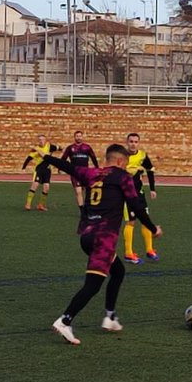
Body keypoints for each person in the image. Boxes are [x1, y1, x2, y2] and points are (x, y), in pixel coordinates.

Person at [37, 142, 162, 345]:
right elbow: (136, 206)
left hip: (87, 235)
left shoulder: (92, 173)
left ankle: (110, 317)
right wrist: (153, 227)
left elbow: (67, 167)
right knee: (93, 285)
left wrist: (46, 157)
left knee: (118, 271)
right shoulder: (123, 177)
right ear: (121, 161)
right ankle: (65, 320)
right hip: (103, 238)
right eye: (126, 163)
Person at [122, 131, 158, 263]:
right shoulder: (122, 156)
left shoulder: (142, 155)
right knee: (131, 222)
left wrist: (152, 189)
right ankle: (128, 253)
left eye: (136, 142)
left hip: (140, 193)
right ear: (127, 142)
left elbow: (151, 169)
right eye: (131, 141)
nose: (133, 144)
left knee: (146, 219)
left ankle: (149, 250)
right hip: (126, 194)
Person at [22, 135, 59, 211]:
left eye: (42, 139)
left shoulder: (49, 146)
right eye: (39, 140)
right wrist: (24, 167)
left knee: (46, 187)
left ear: (45, 140)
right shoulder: (36, 149)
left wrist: (60, 148)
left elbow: (58, 148)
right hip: (39, 169)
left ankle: (41, 205)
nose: (41, 141)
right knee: (35, 185)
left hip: (47, 170)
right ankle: (28, 204)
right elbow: (28, 158)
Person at [63, 129, 97, 206]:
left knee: (86, 190)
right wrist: (61, 167)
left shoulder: (87, 147)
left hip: (85, 172)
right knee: (78, 192)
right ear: (74, 137)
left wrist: (96, 167)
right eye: (77, 136)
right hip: (75, 173)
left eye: (80, 136)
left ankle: (87, 206)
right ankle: (82, 210)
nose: (78, 137)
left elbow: (93, 157)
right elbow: (64, 158)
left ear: (82, 137)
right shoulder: (70, 148)